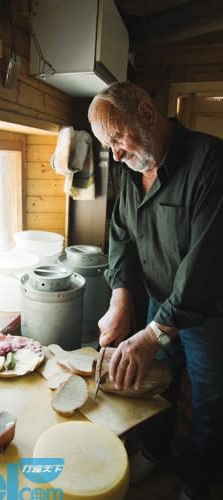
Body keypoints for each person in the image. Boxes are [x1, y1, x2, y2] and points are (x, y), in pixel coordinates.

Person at [88, 82, 223, 500]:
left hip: (209, 311)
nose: (114, 154)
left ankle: (194, 485)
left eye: (116, 139)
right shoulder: (128, 169)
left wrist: (151, 334)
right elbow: (120, 235)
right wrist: (120, 299)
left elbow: (203, 268)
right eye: (106, 145)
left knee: (209, 403)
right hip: (157, 303)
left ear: (147, 115)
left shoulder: (211, 162)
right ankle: (153, 451)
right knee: (154, 385)